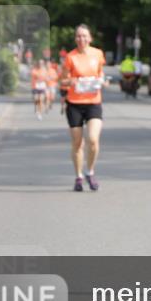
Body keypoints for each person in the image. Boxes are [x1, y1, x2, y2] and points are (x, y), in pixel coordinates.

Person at [60, 24, 106, 192]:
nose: (81, 39)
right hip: (74, 103)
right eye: (78, 36)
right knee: (77, 143)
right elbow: (62, 80)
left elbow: (100, 73)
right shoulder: (70, 57)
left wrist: (102, 80)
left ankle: (90, 171)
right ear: (75, 39)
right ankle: (78, 176)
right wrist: (70, 81)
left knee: (93, 139)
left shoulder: (97, 54)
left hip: (93, 101)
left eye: (84, 36)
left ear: (90, 38)